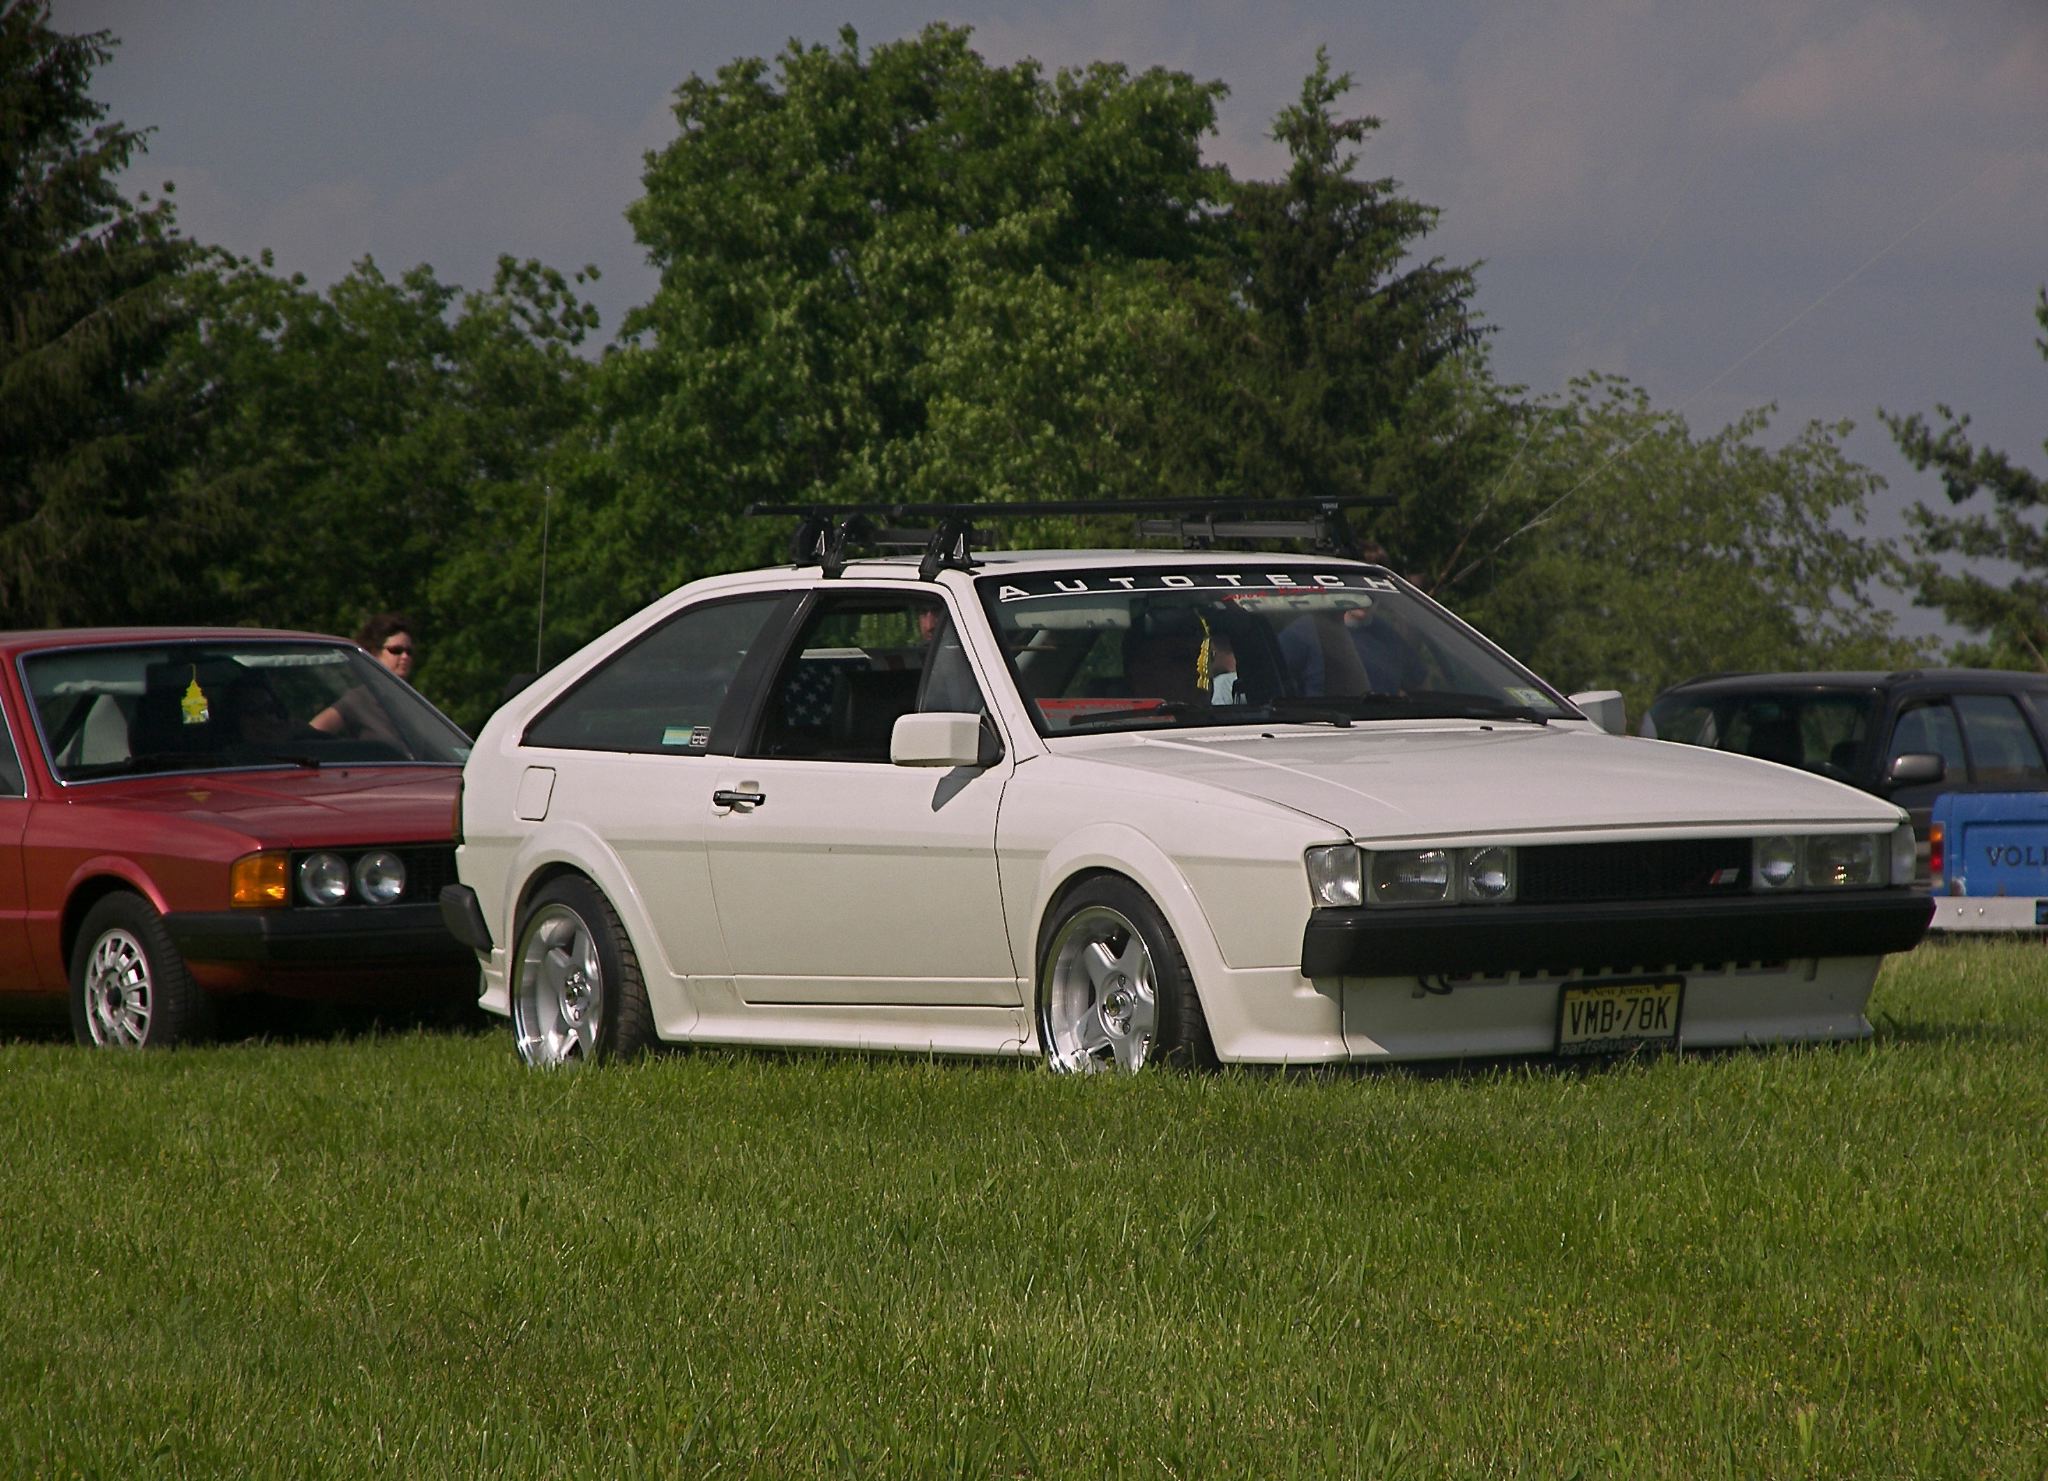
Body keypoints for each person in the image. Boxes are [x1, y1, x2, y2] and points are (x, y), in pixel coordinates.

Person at [310, 611, 417, 741]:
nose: (405, 656)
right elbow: (312, 731)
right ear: (375, 653)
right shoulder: (359, 699)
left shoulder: (414, 700)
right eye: (396, 650)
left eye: (409, 651)